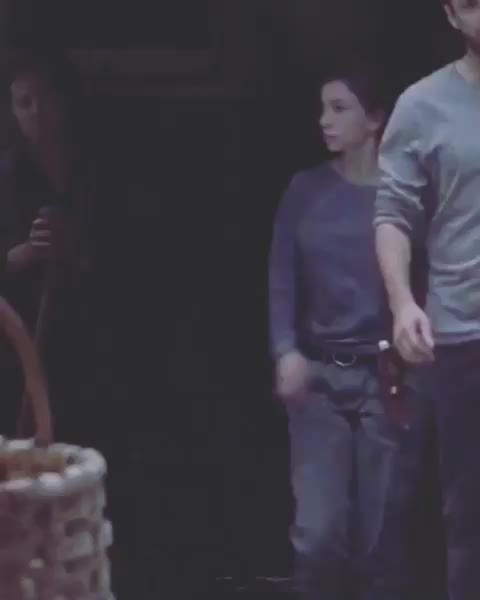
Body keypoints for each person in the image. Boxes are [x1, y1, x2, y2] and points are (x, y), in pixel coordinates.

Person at [269, 60, 431, 600]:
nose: (325, 120)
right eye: (322, 108)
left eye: (339, 109)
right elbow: (282, 277)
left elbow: (429, 276)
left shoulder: (403, 194)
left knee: (382, 538)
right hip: (320, 374)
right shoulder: (305, 189)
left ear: (376, 118)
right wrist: (285, 350)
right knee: (318, 534)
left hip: (387, 376)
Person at [374, 1, 480, 598]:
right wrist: (401, 302)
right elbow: (393, 211)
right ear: (450, 14)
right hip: (466, 335)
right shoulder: (423, 105)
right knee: (470, 518)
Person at [0, 48, 106, 444]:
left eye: (45, 97)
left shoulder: (97, 170)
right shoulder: (6, 175)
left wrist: (76, 245)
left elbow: (129, 251)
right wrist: (32, 249)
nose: (36, 111)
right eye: (23, 102)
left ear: (65, 101)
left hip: (93, 332)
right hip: (19, 338)